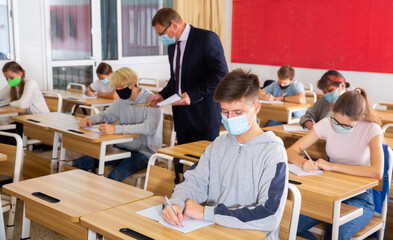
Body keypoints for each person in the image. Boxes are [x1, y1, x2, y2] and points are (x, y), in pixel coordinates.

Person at [162, 69, 288, 240]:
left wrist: (207, 213)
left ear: (256, 107)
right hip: (217, 232)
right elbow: (193, 182)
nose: (230, 118)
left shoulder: (272, 152)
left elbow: (269, 217)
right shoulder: (218, 145)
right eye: (225, 112)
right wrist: (177, 203)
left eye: (238, 113)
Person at [287, 88, 383, 239]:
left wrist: (332, 166)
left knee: (334, 236)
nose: (339, 126)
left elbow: (377, 171)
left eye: (346, 125)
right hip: (329, 193)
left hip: (360, 198)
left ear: (361, 117)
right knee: (288, 226)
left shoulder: (372, 129)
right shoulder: (327, 123)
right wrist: (302, 162)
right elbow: (291, 151)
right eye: (336, 121)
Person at [149, 8, 228, 144]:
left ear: (174, 25)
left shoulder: (206, 38)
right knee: (181, 161)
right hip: (181, 116)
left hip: (203, 114)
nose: (161, 38)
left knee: (203, 161)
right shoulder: (172, 46)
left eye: (162, 33)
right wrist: (162, 95)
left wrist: (192, 94)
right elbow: (176, 78)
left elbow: (221, 74)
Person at [74, 67, 162, 182]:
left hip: (145, 152)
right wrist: (90, 119)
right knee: (80, 163)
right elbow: (108, 115)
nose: (118, 90)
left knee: (113, 177)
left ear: (131, 84)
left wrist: (116, 129)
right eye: (116, 87)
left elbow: (149, 128)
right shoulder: (122, 99)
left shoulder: (152, 100)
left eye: (120, 87)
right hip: (124, 146)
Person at [0, 61, 49, 144]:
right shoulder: (13, 85)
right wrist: (12, 102)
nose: (8, 80)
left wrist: (10, 103)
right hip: (25, 121)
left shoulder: (30, 84)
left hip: (39, 122)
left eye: (11, 77)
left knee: (4, 136)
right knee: (4, 132)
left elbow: (22, 104)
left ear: (20, 74)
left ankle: (14, 153)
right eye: (6, 78)